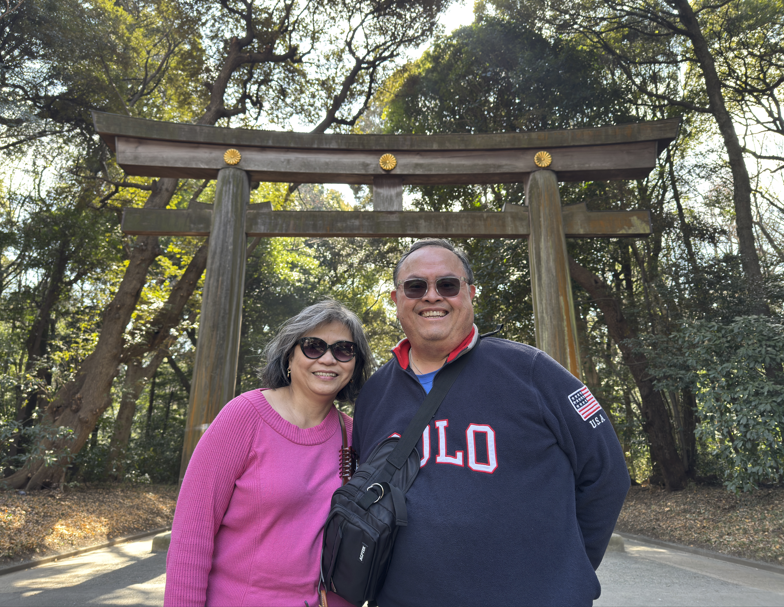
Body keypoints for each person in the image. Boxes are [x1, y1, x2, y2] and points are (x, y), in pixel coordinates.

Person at [352, 239, 630, 606]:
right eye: (416, 286)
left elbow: (606, 475)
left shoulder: (532, 372)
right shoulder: (374, 394)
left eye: (447, 285)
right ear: (396, 298)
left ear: (470, 293)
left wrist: (564, 569)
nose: (432, 296)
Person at [165, 299, 372, 607]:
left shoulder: (356, 436)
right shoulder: (244, 416)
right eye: (314, 346)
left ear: (354, 366)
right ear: (289, 355)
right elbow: (191, 537)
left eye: (343, 350)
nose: (328, 359)